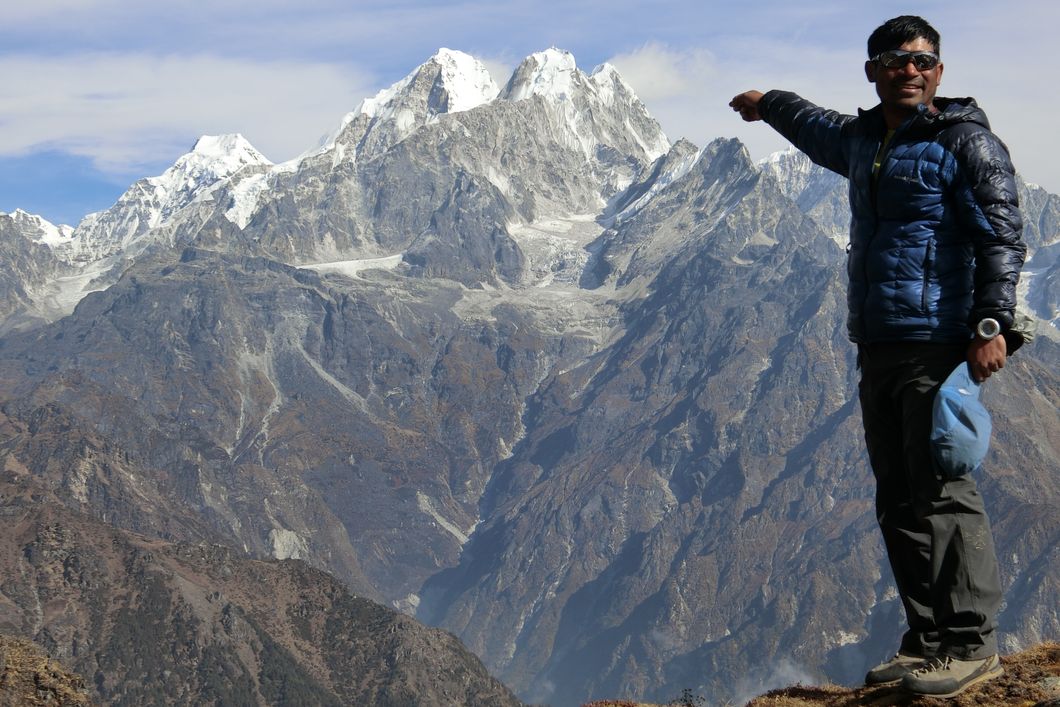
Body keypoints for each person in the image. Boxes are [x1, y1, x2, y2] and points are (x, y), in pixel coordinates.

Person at [729, 15, 1027, 699]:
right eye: (895, 59)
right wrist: (765, 103)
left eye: (923, 60)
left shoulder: (966, 143)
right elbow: (814, 126)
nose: (910, 69)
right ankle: (926, 639)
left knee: (944, 490)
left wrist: (993, 324)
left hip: (942, 343)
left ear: (940, 73)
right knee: (897, 497)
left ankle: (971, 642)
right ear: (873, 70)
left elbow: (1004, 239)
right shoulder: (866, 140)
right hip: (881, 342)